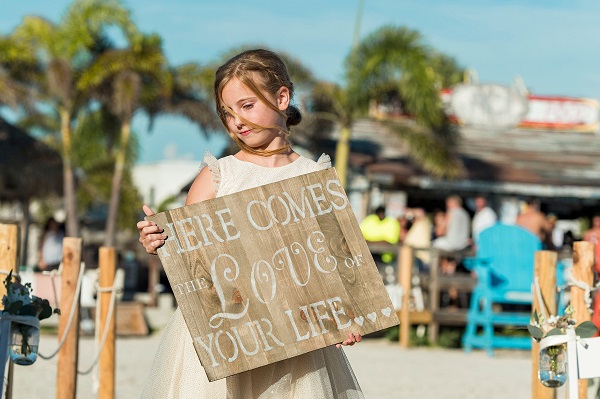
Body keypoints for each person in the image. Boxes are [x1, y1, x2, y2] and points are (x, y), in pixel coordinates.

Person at [137, 49, 363, 399]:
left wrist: (345, 312)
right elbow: (190, 260)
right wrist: (160, 241)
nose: (237, 121)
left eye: (246, 105)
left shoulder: (315, 178)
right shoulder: (217, 176)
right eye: (227, 113)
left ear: (282, 98)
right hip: (223, 335)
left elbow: (333, 260)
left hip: (295, 342)